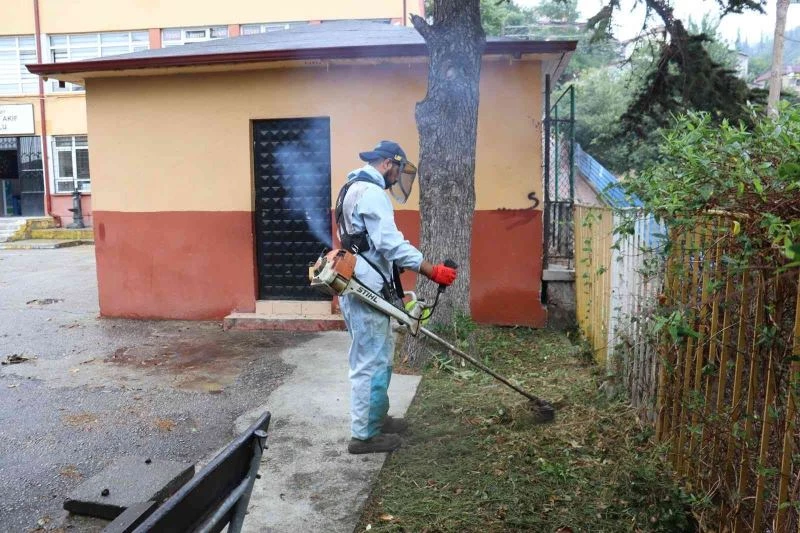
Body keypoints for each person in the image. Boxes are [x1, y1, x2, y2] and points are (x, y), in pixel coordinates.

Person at [336, 140, 457, 454]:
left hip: (361, 284)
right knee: (370, 361)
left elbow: (367, 245)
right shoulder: (372, 193)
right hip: (366, 290)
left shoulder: (351, 187)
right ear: (388, 163)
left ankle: (375, 419)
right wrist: (431, 270)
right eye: (398, 171)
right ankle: (364, 436)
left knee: (377, 355)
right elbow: (390, 244)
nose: (397, 179)